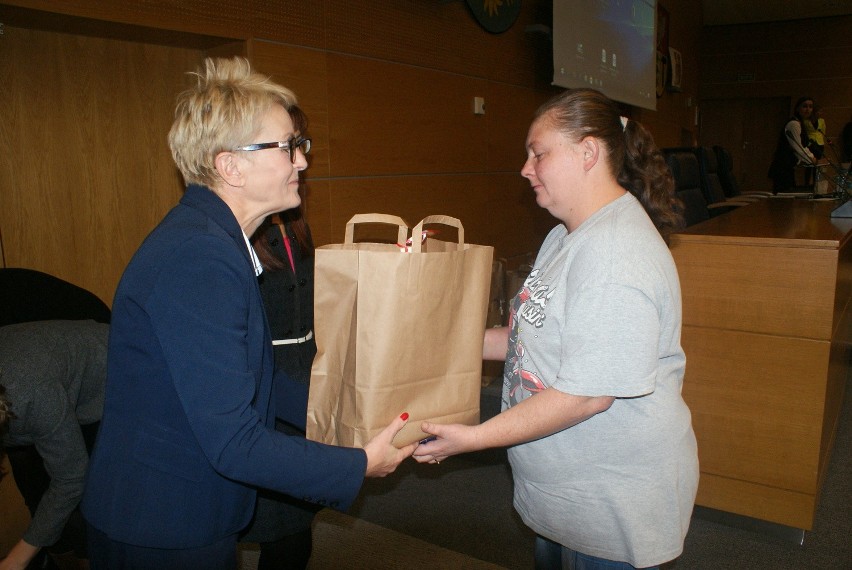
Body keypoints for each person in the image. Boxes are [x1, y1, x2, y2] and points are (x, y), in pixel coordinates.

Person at [80, 57, 416, 570]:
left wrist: (348, 416)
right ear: (230, 166)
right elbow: (234, 441)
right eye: (287, 147)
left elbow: (256, 380)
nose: (302, 161)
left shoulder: (210, 239)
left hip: (175, 508)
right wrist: (359, 464)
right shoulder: (199, 259)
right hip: (162, 523)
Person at [414, 88, 699, 569]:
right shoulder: (564, 235)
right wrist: (434, 345)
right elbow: (529, 342)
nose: (526, 168)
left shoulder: (614, 255)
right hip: (567, 493)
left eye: (539, 153)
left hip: (612, 500)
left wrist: (474, 439)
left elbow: (587, 395)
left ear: (588, 152)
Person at [239, 105, 320, 570]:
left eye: (300, 145)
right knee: (277, 525)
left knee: (296, 528)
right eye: (290, 147)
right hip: (266, 389)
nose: (301, 161)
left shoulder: (290, 219)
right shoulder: (236, 235)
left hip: (302, 373)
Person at [0, 319, 109, 570]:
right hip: (43, 383)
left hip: (109, 382)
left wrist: (17, 559)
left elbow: (71, 479)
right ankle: (51, 550)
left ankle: (80, 557)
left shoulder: (32, 393)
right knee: (35, 489)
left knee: (81, 505)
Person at [767, 96, 824, 193]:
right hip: (783, 168)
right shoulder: (794, 124)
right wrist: (812, 159)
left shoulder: (800, 123)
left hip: (788, 168)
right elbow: (798, 147)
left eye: (810, 107)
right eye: (805, 106)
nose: (808, 110)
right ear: (797, 108)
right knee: (783, 200)